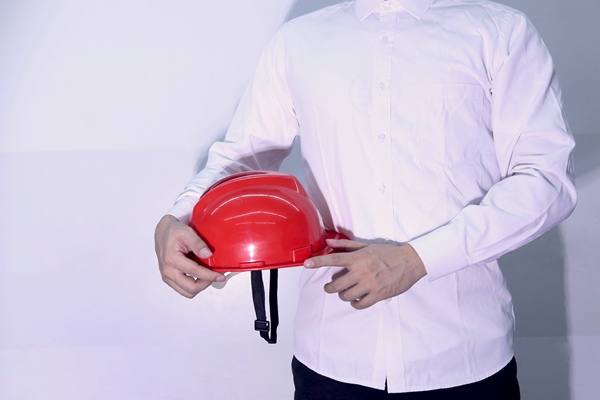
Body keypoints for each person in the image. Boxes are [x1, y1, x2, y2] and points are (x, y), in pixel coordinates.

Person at [154, 0, 577, 398]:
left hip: (463, 356)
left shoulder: (500, 32)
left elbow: (547, 178)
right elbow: (242, 157)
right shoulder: (297, 41)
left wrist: (417, 259)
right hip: (330, 357)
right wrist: (179, 216)